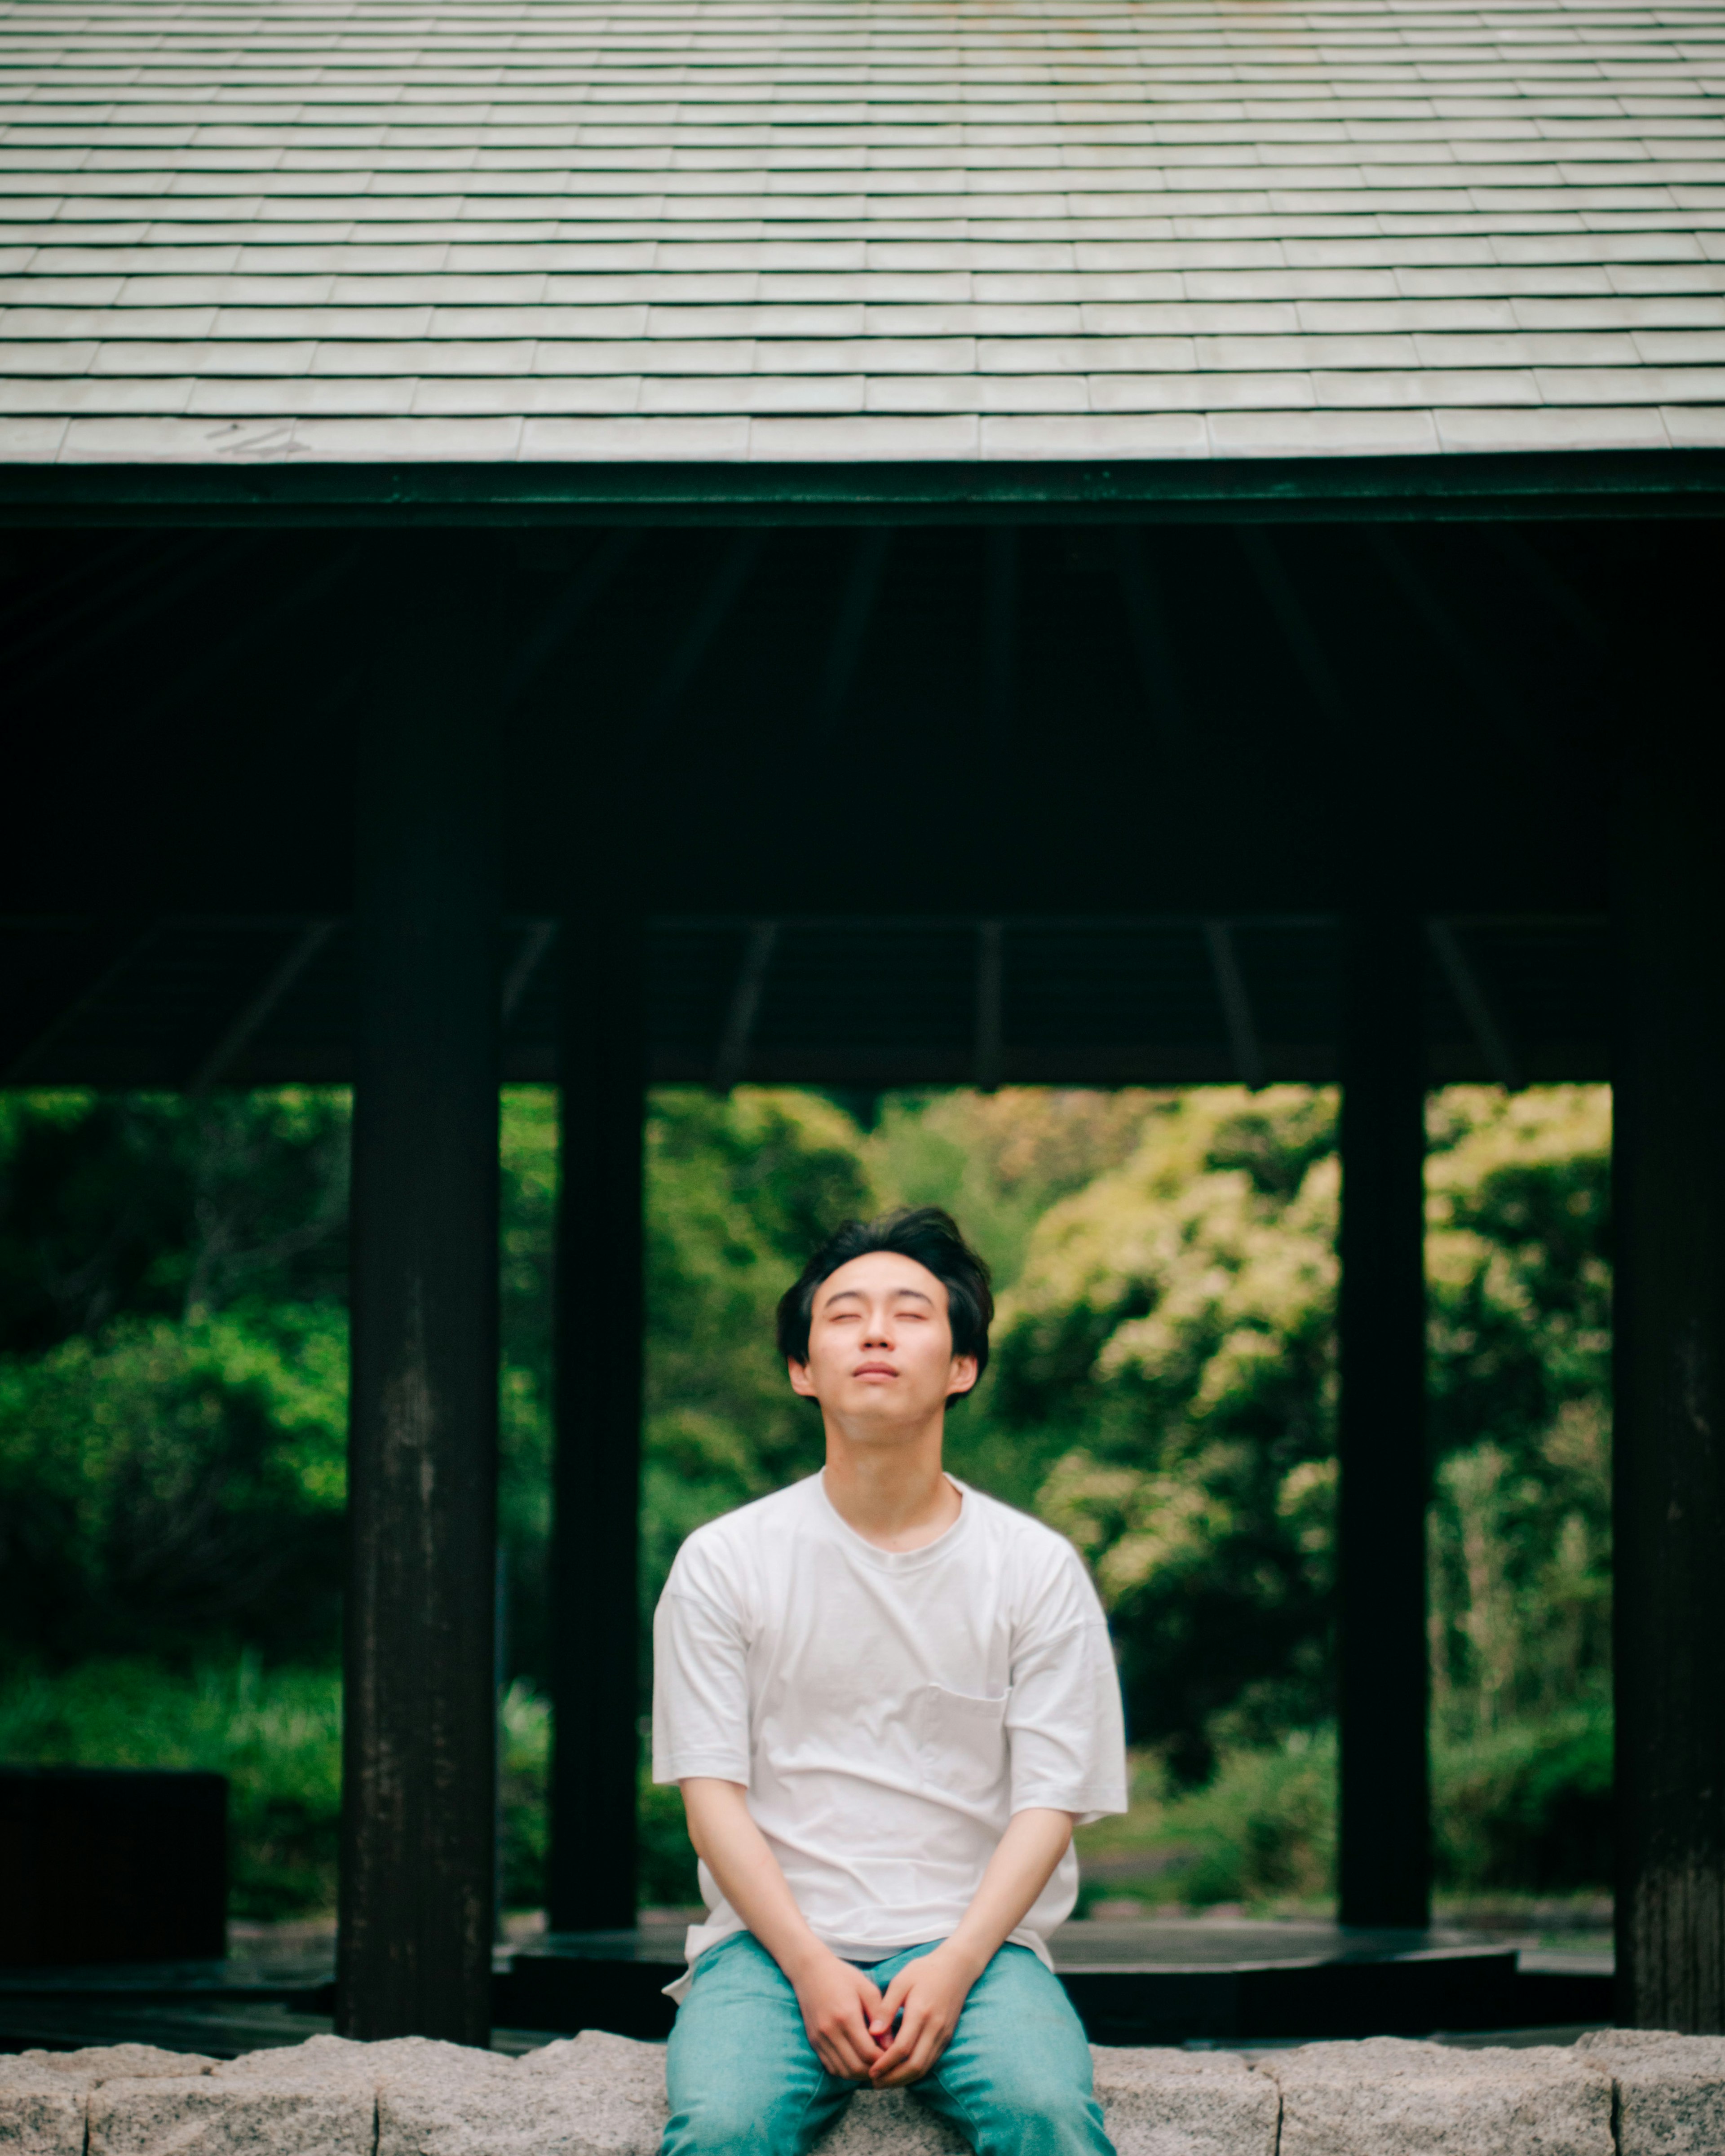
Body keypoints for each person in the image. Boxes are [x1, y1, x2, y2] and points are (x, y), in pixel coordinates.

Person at [652, 1205, 1128, 2156]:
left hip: (979, 1949)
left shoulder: (1034, 1569)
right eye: (844, 1314)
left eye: (911, 1312)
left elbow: (1050, 1804)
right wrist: (810, 1966)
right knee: (722, 2126)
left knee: (1048, 2117)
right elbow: (713, 1802)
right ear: (801, 1368)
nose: (876, 1331)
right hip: (766, 1948)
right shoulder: (724, 1562)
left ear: (963, 1367)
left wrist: (954, 1966)